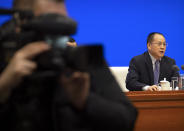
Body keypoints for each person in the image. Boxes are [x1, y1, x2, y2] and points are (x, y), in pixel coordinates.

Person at [0, 0, 138, 131]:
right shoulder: (5, 60)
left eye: (62, 29)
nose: (56, 38)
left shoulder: (82, 61)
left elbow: (127, 120)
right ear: (19, 24)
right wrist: (4, 84)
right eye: (48, 27)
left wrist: (85, 100)